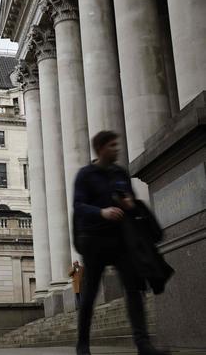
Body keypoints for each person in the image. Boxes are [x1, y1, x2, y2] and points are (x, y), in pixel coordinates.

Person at [73, 131, 168, 355]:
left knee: (134, 290)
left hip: (121, 239)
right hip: (94, 240)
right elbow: (78, 206)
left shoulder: (120, 173)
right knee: (89, 293)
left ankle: (143, 344)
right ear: (101, 148)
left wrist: (129, 203)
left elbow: (132, 201)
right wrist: (102, 212)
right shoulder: (85, 175)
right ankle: (83, 345)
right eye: (112, 146)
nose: (117, 149)